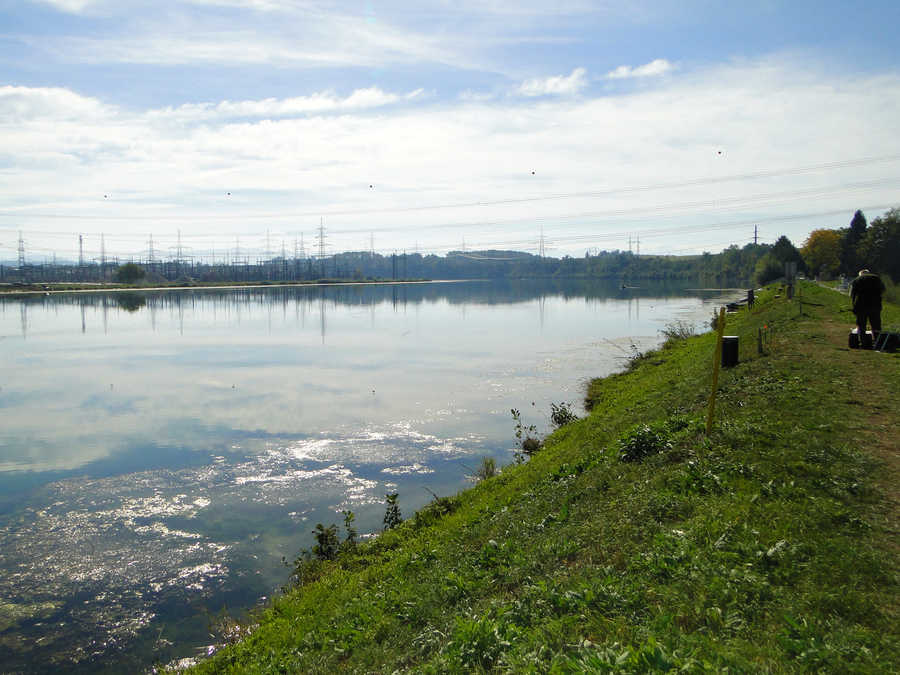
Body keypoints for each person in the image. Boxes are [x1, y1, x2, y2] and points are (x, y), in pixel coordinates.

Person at [849, 269, 886, 344]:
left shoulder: (857, 280)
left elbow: (851, 294)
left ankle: (864, 342)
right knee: (876, 324)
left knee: (861, 325)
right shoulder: (876, 278)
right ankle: (878, 342)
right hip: (875, 305)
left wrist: (853, 305)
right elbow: (883, 290)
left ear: (860, 275)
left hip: (861, 305)